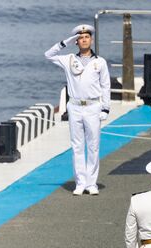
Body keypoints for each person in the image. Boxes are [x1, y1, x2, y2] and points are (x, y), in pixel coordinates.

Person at [45, 24, 110, 196]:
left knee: (93, 146)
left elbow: (105, 86)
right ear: (76, 41)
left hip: (93, 107)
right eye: (80, 38)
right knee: (77, 146)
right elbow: (48, 55)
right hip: (74, 106)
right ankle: (80, 183)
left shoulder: (99, 62)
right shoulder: (68, 60)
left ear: (92, 39)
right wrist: (65, 42)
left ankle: (92, 183)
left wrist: (106, 108)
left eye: (86, 37)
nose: (83, 40)